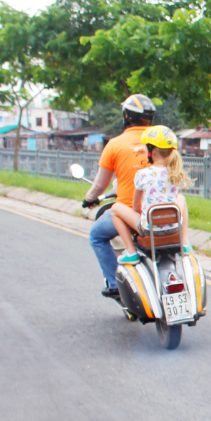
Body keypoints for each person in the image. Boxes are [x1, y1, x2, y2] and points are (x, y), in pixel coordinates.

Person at [83, 95, 155, 299]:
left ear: (126, 116)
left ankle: (114, 284)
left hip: (131, 213)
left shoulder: (115, 144)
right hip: (162, 211)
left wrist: (89, 199)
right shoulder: (160, 141)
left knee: (96, 236)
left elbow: (100, 184)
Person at [109, 126, 193, 263]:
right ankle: (184, 243)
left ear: (151, 151)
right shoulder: (176, 173)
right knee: (181, 198)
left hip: (149, 229)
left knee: (115, 209)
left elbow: (135, 205)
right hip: (173, 227)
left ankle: (131, 252)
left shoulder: (142, 174)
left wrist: (136, 219)